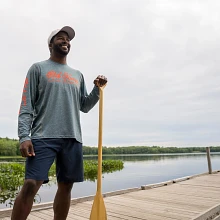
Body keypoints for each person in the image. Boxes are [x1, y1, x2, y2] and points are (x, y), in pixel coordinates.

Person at [11, 26, 107, 220]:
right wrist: (24, 136)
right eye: (61, 38)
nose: (66, 41)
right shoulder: (38, 68)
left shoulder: (77, 75)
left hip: (72, 137)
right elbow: (26, 104)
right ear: (50, 44)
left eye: (68, 39)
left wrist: (98, 89)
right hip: (43, 136)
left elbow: (84, 106)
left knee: (66, 186)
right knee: (31, 184)